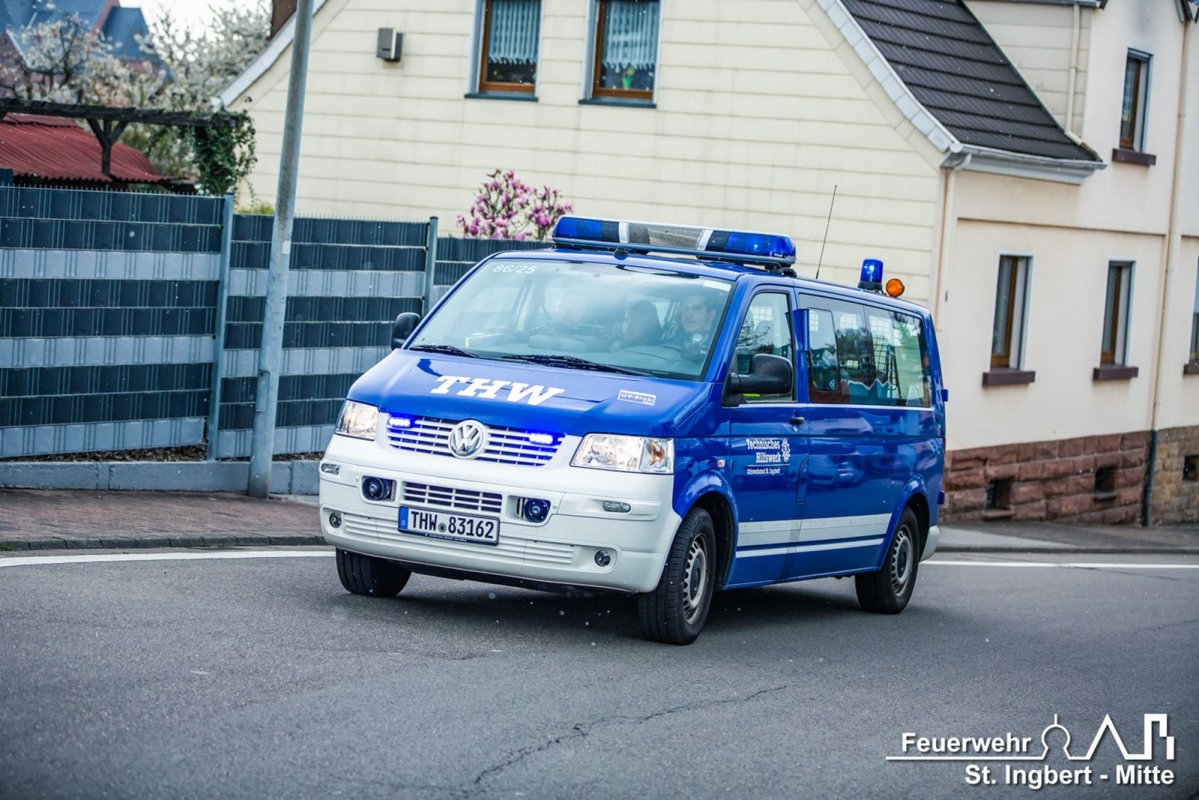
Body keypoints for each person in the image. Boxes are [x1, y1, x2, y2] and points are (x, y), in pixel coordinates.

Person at [664, 291, 718, 357]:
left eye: (696, 308)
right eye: (685, 308)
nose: (688, 314)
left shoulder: (720, 348)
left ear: (711, 315)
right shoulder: (668, 343)